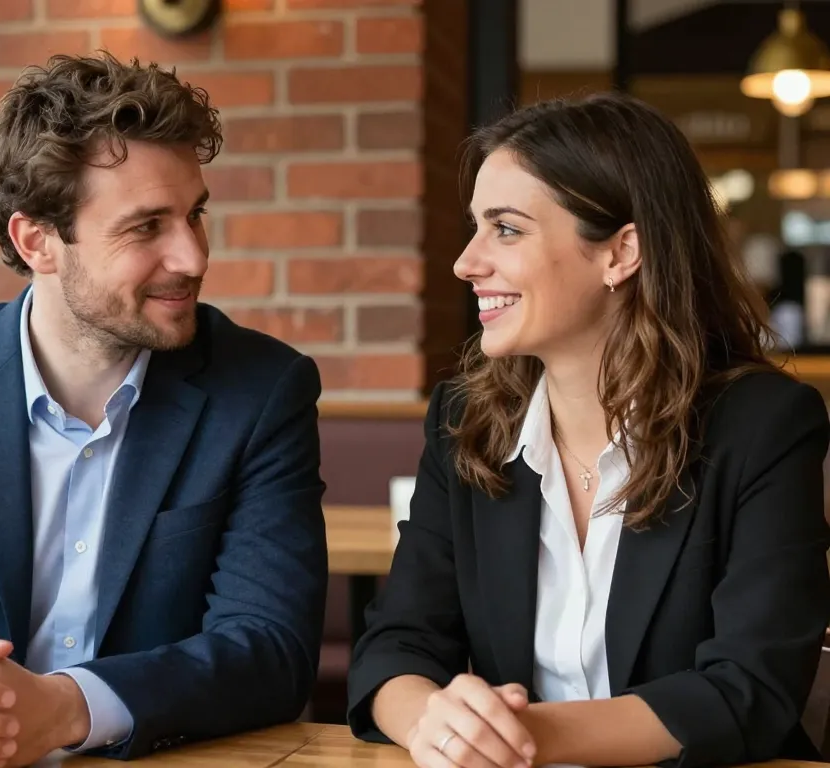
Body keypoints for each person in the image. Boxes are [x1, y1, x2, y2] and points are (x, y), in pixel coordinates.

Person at [0, 52, 328, 766]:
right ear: (36, 241)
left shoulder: (262, 389)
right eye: (147, 227)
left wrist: (65, 707)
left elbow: (269, 649)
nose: (192, 255)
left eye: (195, 214)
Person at [346, 92, 830, 768]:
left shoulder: (763, 426)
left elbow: (749, 689)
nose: (466, 262)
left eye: (506, 229)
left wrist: (518, 737)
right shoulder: (464, 423)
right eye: (475, 226)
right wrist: (433, 720)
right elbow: (397, 646)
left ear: (621, 252)